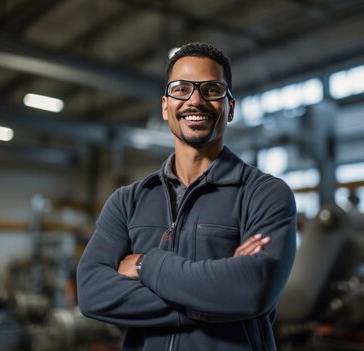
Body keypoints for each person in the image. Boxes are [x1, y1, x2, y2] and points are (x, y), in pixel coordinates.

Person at [77, 42, 297, 351]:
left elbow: (252, 291)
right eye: (181, 89)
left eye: (212, 89)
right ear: (165, 106)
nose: (195, 100)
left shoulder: (265, 194)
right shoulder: (127, 202)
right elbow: (92, 294)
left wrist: (145, 266)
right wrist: (217, 297)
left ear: (230, 107)